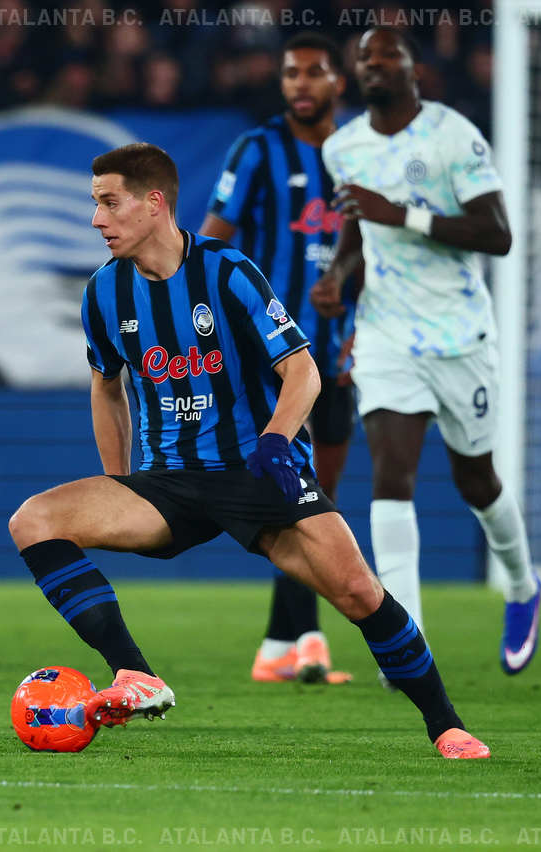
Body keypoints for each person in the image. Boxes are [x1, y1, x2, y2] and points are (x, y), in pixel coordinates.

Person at [8, 142, 490, 759]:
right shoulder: (104, 292)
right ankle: (135, 673)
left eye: (109, 203)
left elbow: (303, 372)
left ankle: (446, 725)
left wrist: (275, 441)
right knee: (34, 520)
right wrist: (118, 482)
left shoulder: (228, 272)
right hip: (168, 483)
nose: (96, 219)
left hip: (256, 470)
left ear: (154, 204)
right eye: (95, 204)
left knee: (357, 593)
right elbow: (107, 387)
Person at [312, 27, 541, 679]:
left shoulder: (453, 136)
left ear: (415, 68)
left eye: (389, 54)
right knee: (392, 477)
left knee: (477, 481)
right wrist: (337, 277)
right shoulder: (342, 148)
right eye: (364, 56)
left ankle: (522, 586)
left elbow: (498, 235)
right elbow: (357, 228)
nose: (374, 64)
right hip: (386, 332)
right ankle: (407, 643)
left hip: (459, 335)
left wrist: (404, 214)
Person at [200, 32, 356, 686]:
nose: (300, 84)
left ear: (337, 82)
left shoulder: (361, 153)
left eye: (313, 73)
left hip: (343, 353)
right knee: (302, 496)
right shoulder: (257, 150)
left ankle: (282, 644)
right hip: (279, 358)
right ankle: (303, 643)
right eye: (291, 73)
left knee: (319, 499)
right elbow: (211, 243)